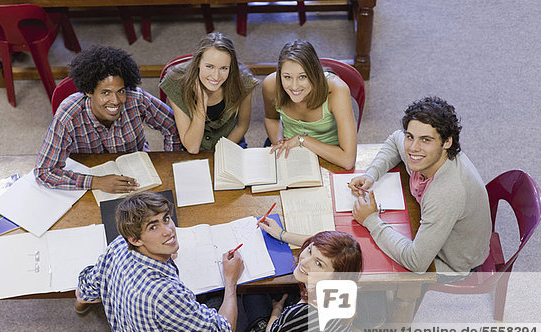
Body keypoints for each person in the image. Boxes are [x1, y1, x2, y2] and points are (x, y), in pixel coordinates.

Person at [75, 191, 244, 332]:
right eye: (153, 227)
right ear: (136, 240)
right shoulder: (164, 294)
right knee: (219, 295)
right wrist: (231, 281)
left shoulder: (119, 245)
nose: (169, 231)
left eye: (166, 219)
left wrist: (161, 249)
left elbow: (84, 291)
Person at [349, 96, 492, 278]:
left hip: (451, 263)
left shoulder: (447, 192)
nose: (413, 148)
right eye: (410, 136)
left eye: (426, 140)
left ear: (447, 142)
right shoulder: (427, 155)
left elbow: (416, 262)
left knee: (370, 265)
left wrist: (371, 220)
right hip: (435, 232)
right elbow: (395, 140)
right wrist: (371, 174)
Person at [35, 45, 181, 193]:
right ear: (89, 91)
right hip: (88, 178)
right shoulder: (68, 115)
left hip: (136, 170)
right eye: (105, 92)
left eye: (120, 91)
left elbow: (173, 127)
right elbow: (44, 172)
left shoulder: (137, 98)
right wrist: (95, 182)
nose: (116, 101)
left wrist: (169, 164)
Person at [256, 220, 361, 332]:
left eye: (319, 264)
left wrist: (277, 309)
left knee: (254, 303)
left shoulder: (299, 315)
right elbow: (325, 251)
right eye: (310, 250)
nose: (304, 261)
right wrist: (282, 235)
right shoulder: (346, 290)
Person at [262, 40, 357, 170]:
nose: (294, 87)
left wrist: (303, 140)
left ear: (315, 73)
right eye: (287, 77)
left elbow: (348, 160)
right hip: (291, 152)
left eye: (302, 77)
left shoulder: (337, 90)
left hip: (329, 156)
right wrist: (280, 144)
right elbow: (271, 118)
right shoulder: (271, 84)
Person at [159, 32, 258, 153]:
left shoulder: (244, 81)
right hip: (191, 142)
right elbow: (192, 147)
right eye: (209, 66)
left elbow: (241, 126)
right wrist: (201, 103)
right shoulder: (175, 83)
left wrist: (220, 152)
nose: (216, 77)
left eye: (224, 68)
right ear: (198, 62)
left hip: (229, 142)